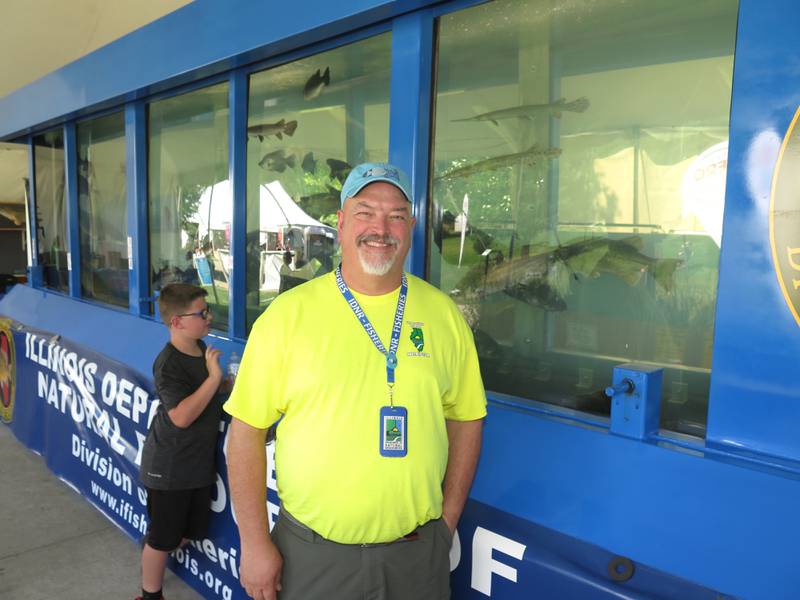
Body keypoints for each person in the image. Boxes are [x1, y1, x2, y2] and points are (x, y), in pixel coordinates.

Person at [224, 162, 487, 600]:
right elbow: (246, 432)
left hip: (417, 556)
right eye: (365, 212)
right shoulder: (287, 316)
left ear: (411, 226)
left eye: (396, 215)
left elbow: (467, 418)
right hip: (313, 556)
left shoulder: (444, 315)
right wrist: (253, 543)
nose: (380, 228)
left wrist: (448, 521)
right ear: (342, 223)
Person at [137, 283, 224, 600]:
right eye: (201, 313)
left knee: (188, 532)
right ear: (177, 322)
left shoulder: (200, 349)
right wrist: (214, 379)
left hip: (196, 465)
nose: (208, 317)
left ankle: (153, 548)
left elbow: (206, 393)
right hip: (170, 467)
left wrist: (225, 383)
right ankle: (150, 593)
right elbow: (181, 417)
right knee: (163, 540)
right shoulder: (168, 363)